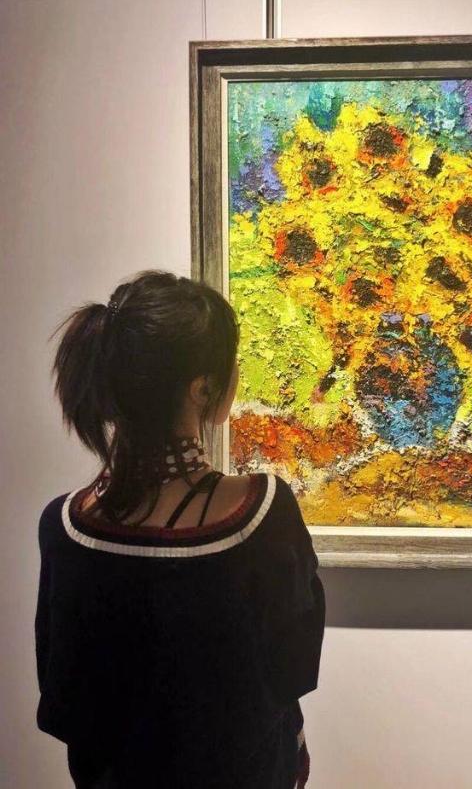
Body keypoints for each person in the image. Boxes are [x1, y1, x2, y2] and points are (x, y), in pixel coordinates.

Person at [35, 269, 326, 788]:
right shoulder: (261, 514)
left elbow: (65, 700)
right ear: (203, 388)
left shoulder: (66, 526)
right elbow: (294, 666)